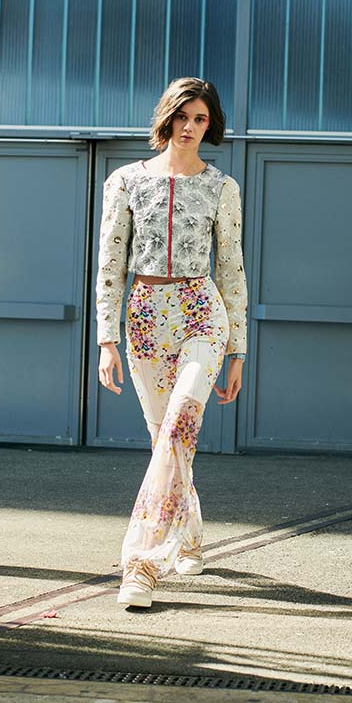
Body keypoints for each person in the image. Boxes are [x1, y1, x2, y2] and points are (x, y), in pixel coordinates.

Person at [95, 76, 248, 609]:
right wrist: (106, 339)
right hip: (145, 317)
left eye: (200, 119)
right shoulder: (125, 181)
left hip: (202, 312)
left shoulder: (222, 188)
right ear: (167, 118)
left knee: (181, 423)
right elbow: (110, 263)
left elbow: (231, 269)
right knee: (167, 439)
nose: (190, 127)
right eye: (183, 116)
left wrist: (238, 349)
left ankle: (141, 563)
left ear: (211, 125)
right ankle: (191, 532)